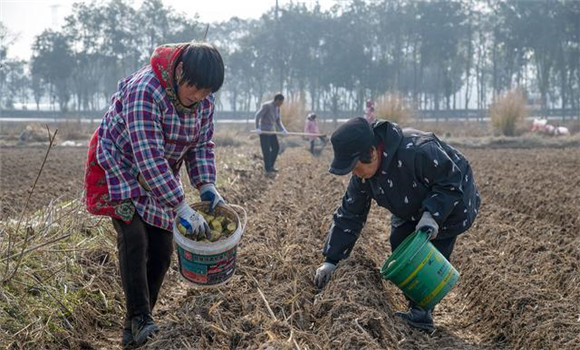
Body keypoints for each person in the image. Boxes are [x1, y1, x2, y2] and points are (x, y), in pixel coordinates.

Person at [83, 42, 225, 349]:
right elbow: (147, 157)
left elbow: (201, 145)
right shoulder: (145, 91)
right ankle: (140, 318)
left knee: (162, 249)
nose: (199, 97)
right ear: (180, 71)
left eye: (206, 92)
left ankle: (135, 324)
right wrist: (181, 205)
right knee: (135, 238)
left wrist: (206, 184)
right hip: (118, 167)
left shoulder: (204, 102)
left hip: (157, 176)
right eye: (195, 88)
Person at [314, 117, 480, 331]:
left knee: (425, 254)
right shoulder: (363, 178)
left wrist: (432, 215)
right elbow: (350, 214)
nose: (355, 174)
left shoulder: (418, 150)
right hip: (408, 202)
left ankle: (421, 313)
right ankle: (416, 303)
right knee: (400, 241)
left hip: (451, 200)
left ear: (372, 152)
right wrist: (331, 259)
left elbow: (450, 181)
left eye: (355, 167)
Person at [255, 93, 288, 173]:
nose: (281, 104)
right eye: (280, 102)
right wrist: (257, 127)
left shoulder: (277, 108)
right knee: (266, 151)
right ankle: (268, 169)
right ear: (277, 100)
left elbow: (278, 120)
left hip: (272, 131)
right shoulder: (267, 106)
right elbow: (257, 116)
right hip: (264, 131)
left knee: (276, 148)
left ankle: (271, 166)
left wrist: (283, 130)